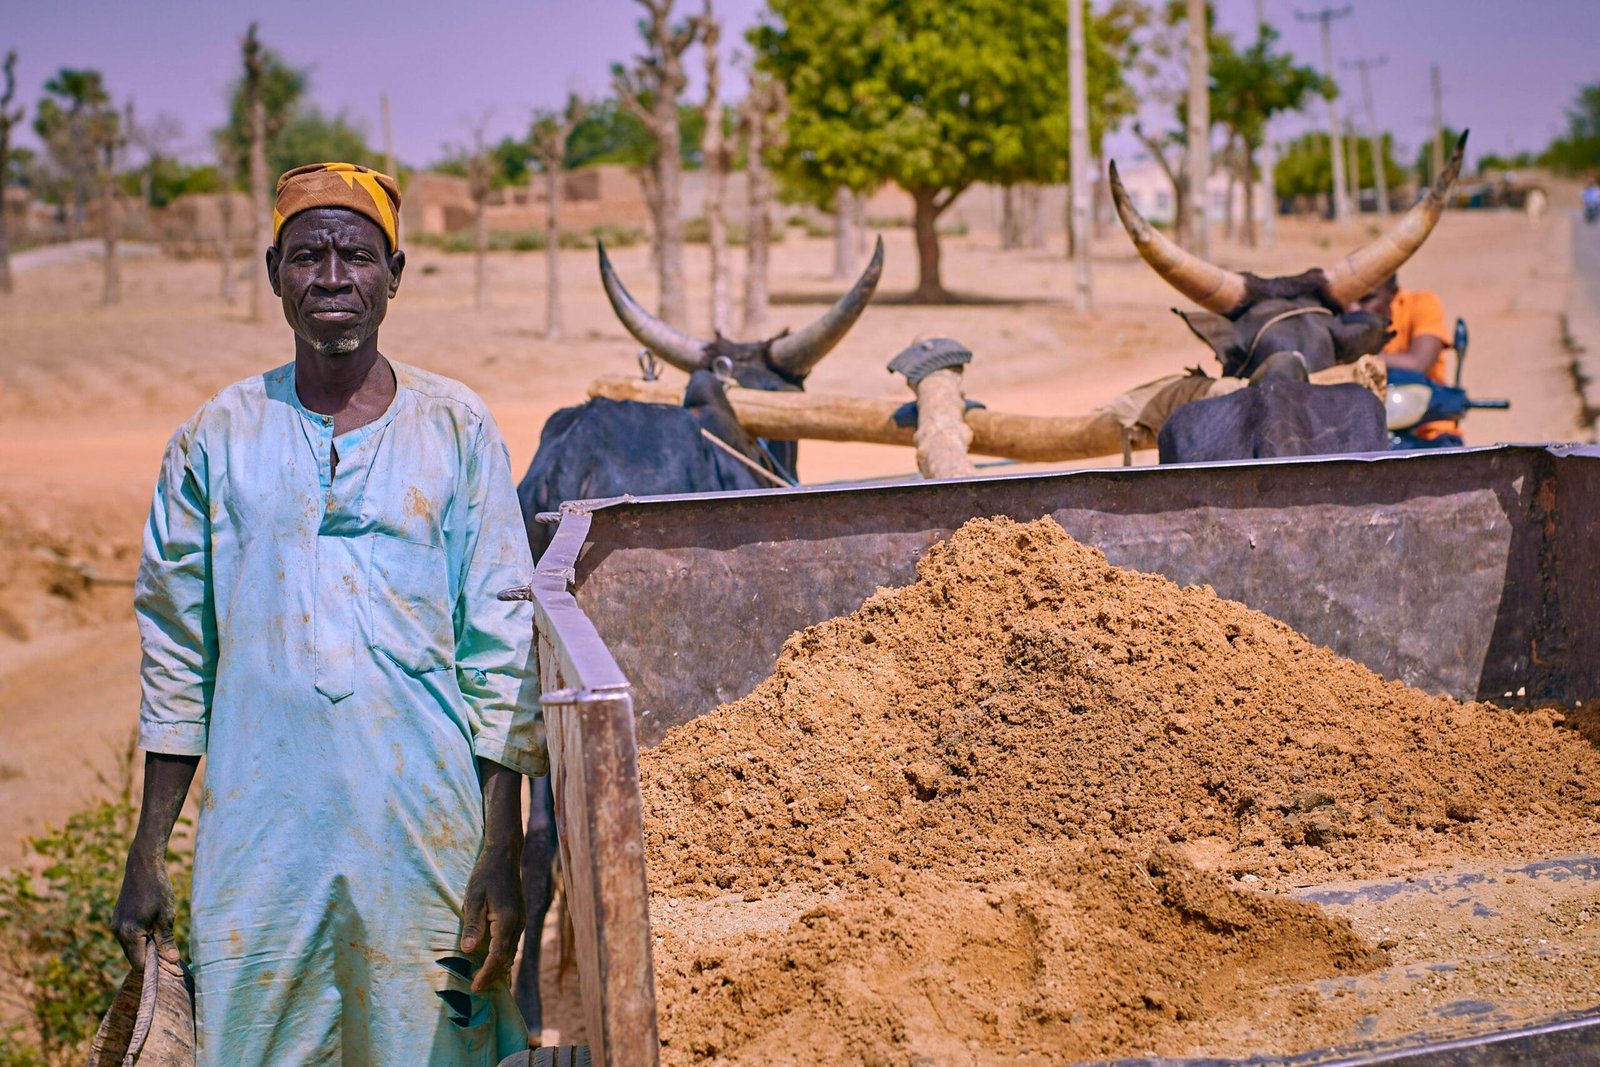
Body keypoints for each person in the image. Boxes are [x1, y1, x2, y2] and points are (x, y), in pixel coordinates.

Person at [110, 162, 544, 1065]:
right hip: (259, 842)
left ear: (396, 270)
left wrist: (501, 850)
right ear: (275, 274)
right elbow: (179, 652)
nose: (334, 277)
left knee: (434, 1044)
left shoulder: (457, 428)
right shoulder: (215, 437)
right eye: (309, 256)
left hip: (427, 833)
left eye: (356, 254)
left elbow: (502, 652)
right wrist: (148, 847)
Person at [1350, 272, 1462, 447]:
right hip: (1361, 436)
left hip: (1429, 432)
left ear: (1392, 293)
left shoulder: (1422, 304)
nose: (1353, 309)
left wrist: (1356, 359)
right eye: (1348, 300)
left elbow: (1418, 363)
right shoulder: (1339, 318)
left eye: (1367, 299)